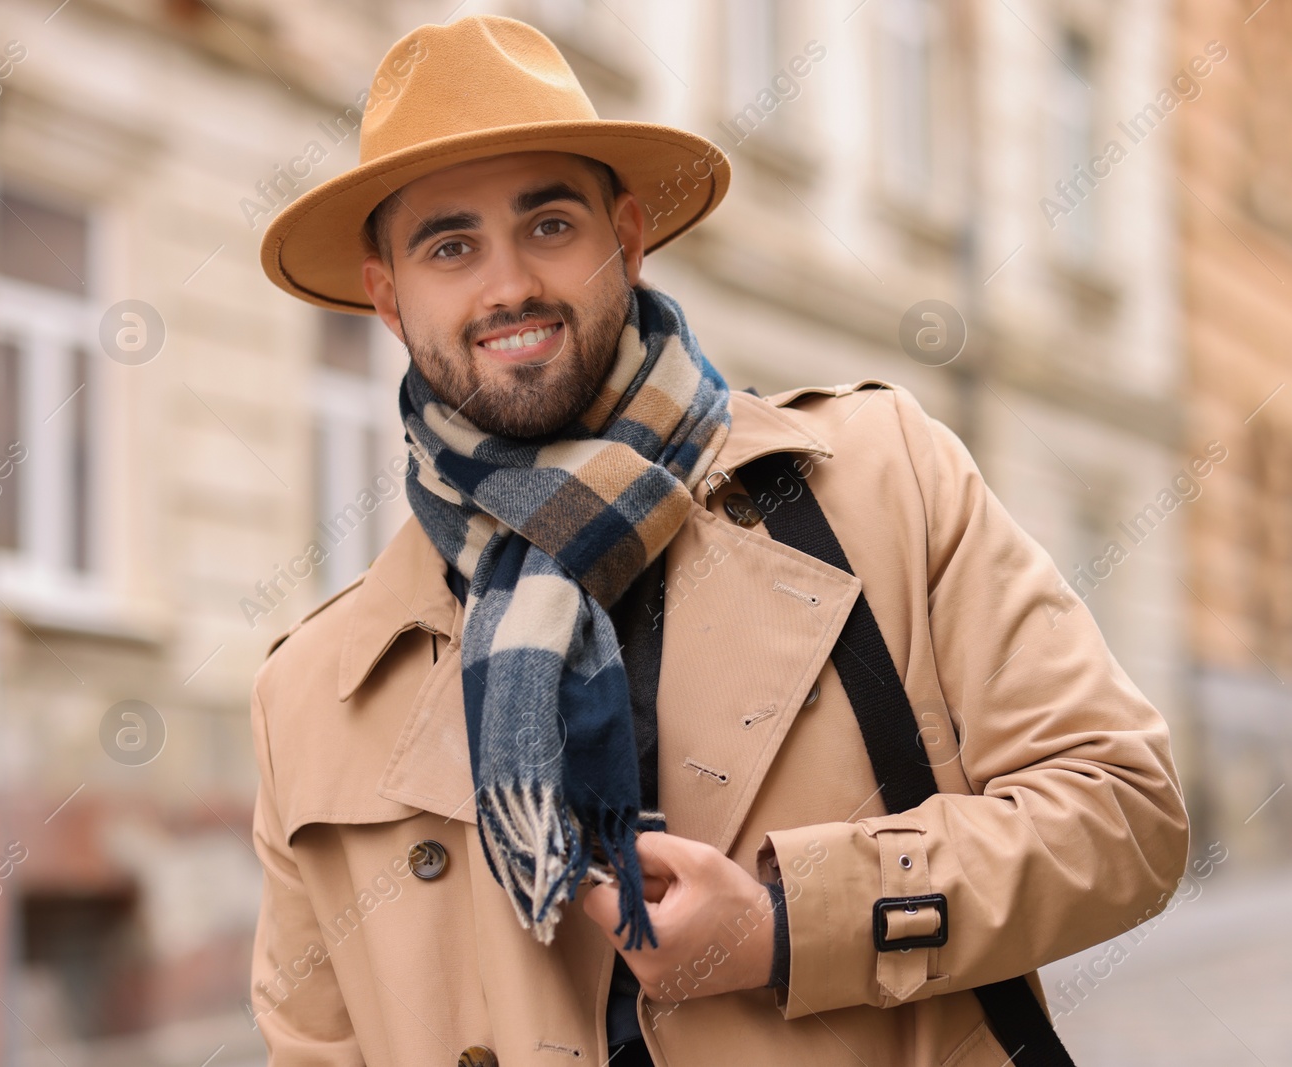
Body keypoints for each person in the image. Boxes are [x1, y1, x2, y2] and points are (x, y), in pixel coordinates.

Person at [246, 15, 1190, 1067]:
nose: (507, 283)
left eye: (549, 225)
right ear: (388, 296)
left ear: (628, 236)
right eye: (450, 245)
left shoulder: (877, 479)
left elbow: (1124, 814)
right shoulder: (313, 690)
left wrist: (790, 923)